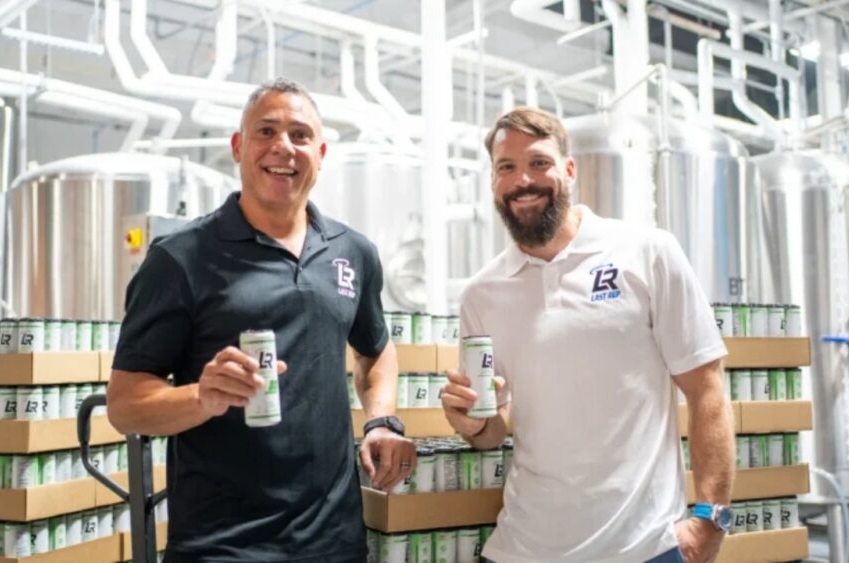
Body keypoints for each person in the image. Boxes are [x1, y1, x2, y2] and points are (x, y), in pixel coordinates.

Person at [107, 78, 416, 563]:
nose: (283, 147)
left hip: (334, 543)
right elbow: (125, 405)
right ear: (238, 146)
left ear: (320, 153)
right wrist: (202, 397)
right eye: (266, 131)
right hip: (222, 547)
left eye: (300, 135)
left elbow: (376, 350)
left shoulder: (353, 252)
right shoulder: (180, 258)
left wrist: (381, 421)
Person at [442, 107, 735, 563]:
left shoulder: (647, 252)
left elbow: (707, 389)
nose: (523, 180)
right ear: (493, 181)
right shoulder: (482, 294)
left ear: (569, 170)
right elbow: (491, 432)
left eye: (539, 162)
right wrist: (472, 423)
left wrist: (710, 520)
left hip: (642, 547)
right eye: (507, 167)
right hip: (523, 548)